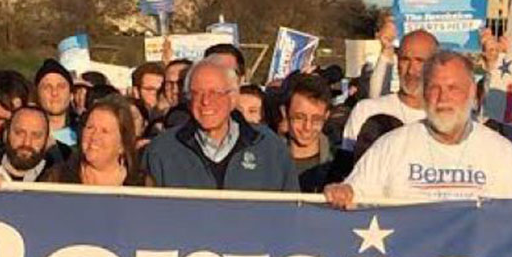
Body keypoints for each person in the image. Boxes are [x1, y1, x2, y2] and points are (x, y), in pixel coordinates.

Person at [324, 51, 512, 206]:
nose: (443, 98)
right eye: (435, 88)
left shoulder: (501, 153)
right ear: (424, 92)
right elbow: (354, 198)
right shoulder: (391, 146)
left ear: (472, 92)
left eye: (453, 88)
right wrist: (342, 193)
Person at [143, 59, 298, 191]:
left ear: (232, 97)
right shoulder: (161, 151)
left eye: (215, 93)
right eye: (197, 93)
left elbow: (290, 214)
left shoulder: (270, 149)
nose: (205, 101)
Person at [340, 30, 439, 154]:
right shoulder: (367, 111)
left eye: (420, 61)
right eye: (405, 60)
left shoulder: (448, 117)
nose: (411, 70)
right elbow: (345, 165)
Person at [41, 95, 148, 186]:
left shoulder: (141, 185)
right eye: (90, 127)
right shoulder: (57, 178)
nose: (94, 136)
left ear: (122, 145)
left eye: (105, 131)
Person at [0, 105, 67, 182]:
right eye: (19, 133)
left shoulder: (62, 179)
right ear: (6, 134)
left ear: (47, 140)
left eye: (36, 136)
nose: (27, 142)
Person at [285, 74, 334, 192]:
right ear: (285, 112)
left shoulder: (341, 165)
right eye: (299, 117)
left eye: (316, 119)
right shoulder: (267, 158)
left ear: (326, 116)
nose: (307, 127)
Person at [34, 58, 77, 146]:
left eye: (61, 86)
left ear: (71, 95)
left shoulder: (85, 135)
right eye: (47, 87)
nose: (54, 93)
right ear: (37, 95)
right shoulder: (27, 137)